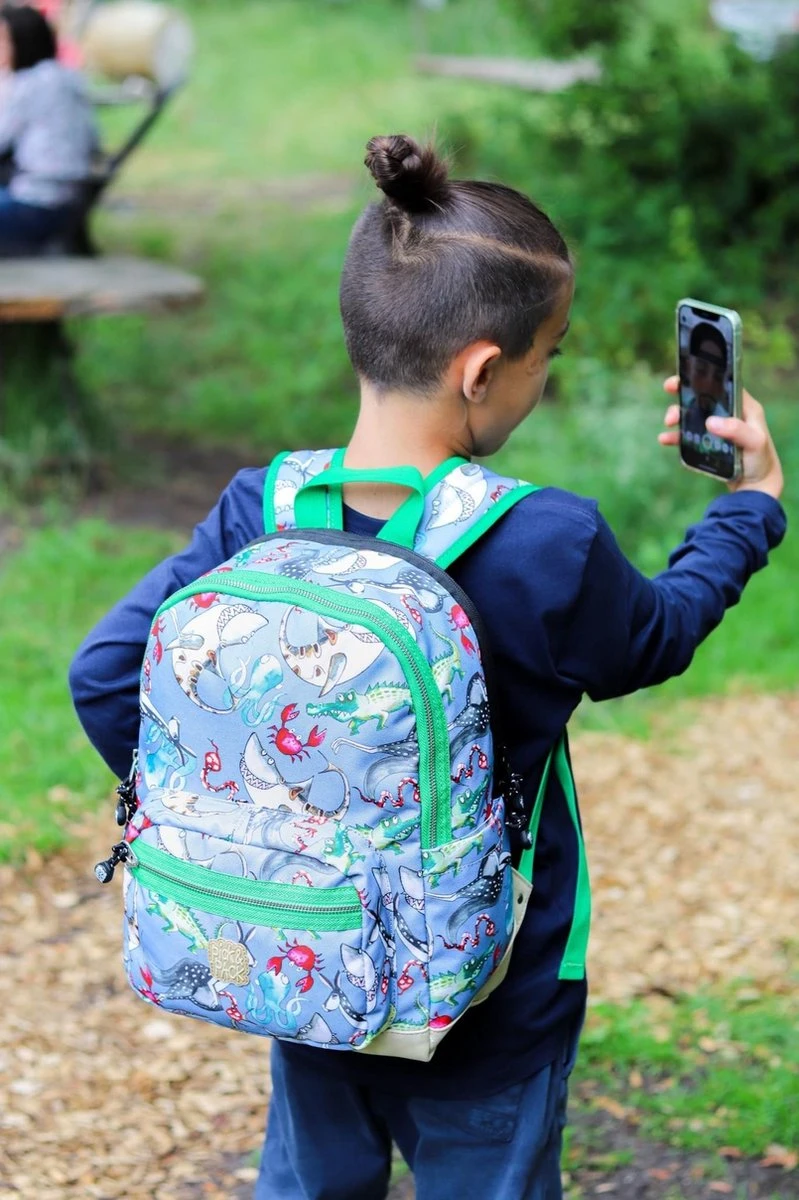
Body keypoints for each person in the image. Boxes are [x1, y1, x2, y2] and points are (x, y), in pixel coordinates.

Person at [69, 135, 785, 1200]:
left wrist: (245, 817)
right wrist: (746, 508)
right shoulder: (545, 541)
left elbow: (103, 675)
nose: (543, 377)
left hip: (306, 954)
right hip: (490, 990)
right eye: (548, 356)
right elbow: (657, 637)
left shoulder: (260, 509)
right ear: (482, 370)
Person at [0, 3, 97, 255]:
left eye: (3, 41)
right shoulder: (70, 79)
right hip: (72, 204)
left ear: (23, 41)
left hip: (34, 205)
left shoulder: (29, 84)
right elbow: (94, 141)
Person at [681, 321, 731, 440]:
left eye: (718, 376)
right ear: (688, 368)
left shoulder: (729, 426)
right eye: (701, 370)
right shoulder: (683, 407)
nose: (709, 384)